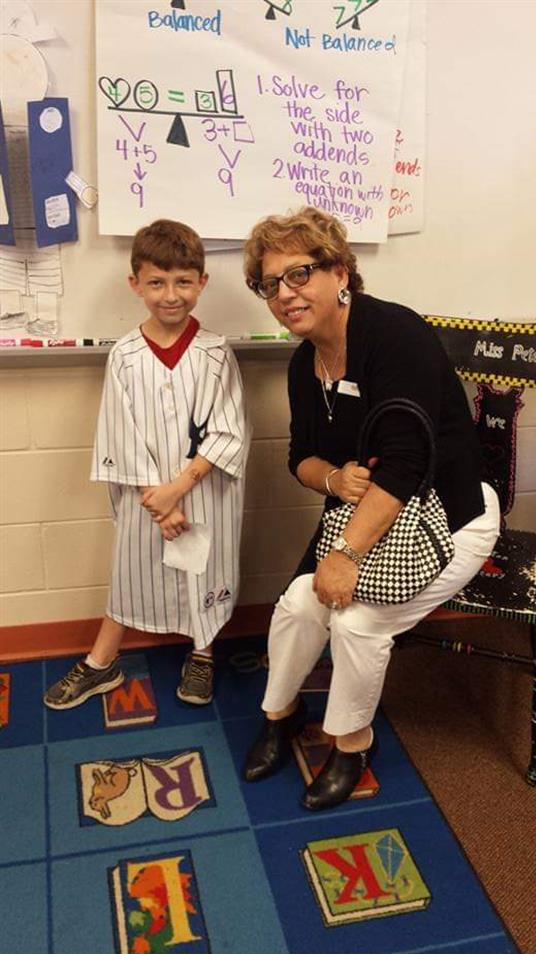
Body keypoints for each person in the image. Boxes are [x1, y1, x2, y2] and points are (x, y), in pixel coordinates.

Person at [241, 206, 500, 811]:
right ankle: (280, 712)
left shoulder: (394, 334)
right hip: (379, 517)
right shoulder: (305, 362)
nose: (285, 294)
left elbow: (407, 468)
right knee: (299, 604)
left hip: (450, 514)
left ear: (339, 273)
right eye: (270, 284)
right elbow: (300, 459)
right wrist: (333, 478)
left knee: (357, 621)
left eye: (299, 274)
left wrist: (347, 555)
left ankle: (353, 744)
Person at [44, 219, 247, 711]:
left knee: (204, 568)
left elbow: (228, 432)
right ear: (135, 284)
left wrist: (180, 488)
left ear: (202, 282)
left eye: (182, 281)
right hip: (146, 498)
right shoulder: (126, 356)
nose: (170, 295)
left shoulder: (216, 354)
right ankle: (102, 662)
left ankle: (203, 652)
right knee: (132, 572)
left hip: (203, 494)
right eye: (156, 282)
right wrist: (160, 501)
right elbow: (120, 436)